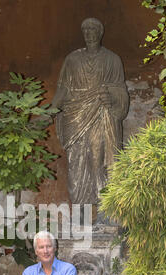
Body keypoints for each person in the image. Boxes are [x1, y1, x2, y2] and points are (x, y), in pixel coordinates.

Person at [53, 18, 129, 207]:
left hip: (103, 116)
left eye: (92, 29)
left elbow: (121, 90)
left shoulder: (112, 59)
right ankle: (80, 212)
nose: (88, 33)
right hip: (76, 117)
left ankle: (106, 210)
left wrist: (110, 95)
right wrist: (48, 111)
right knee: (76, 165)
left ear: (100, 32)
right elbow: (62, 90)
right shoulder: (72, 59)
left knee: (101, 162)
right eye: (85, 29)